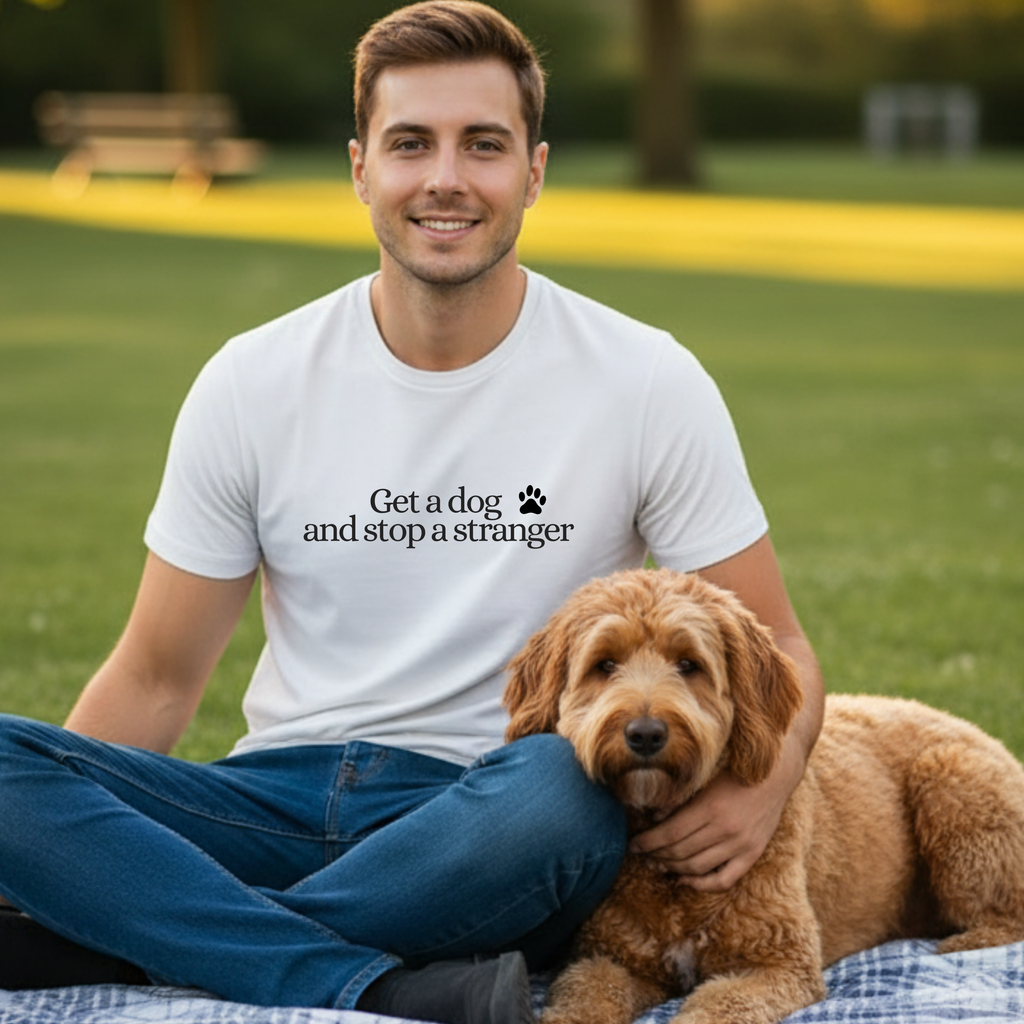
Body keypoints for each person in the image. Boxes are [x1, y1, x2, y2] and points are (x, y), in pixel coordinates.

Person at [0, 3, 824, 1023]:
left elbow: (775, 640)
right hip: (278, 795)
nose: (445, 178)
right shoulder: (251, 380)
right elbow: (155, 676)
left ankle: (149, 935)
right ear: (360, 169)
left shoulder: (644, 378)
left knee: (564, 792)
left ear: (533, 169)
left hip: (494, 816)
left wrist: (765, 782)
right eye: (409, 144)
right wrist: (48, 838)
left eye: (483, 144)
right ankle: (372, 980)